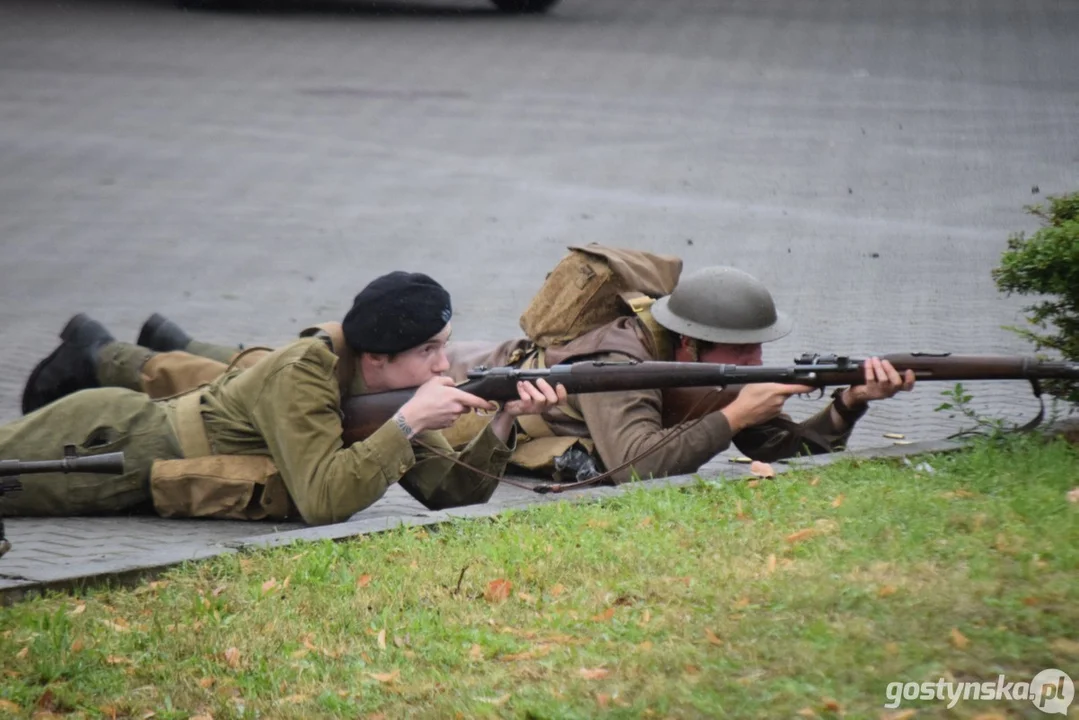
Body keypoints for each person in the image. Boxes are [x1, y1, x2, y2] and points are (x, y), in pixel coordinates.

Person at [4, 272, 566, 524]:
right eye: (428, 351)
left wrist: (503, 423)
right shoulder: (304, 374)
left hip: (130, 467)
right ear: (376, 358)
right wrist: (407, 424)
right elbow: (323, 501)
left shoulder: (394, 390)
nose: (443, 365)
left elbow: (451, 497)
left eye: (444, 347)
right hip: (107, 442)